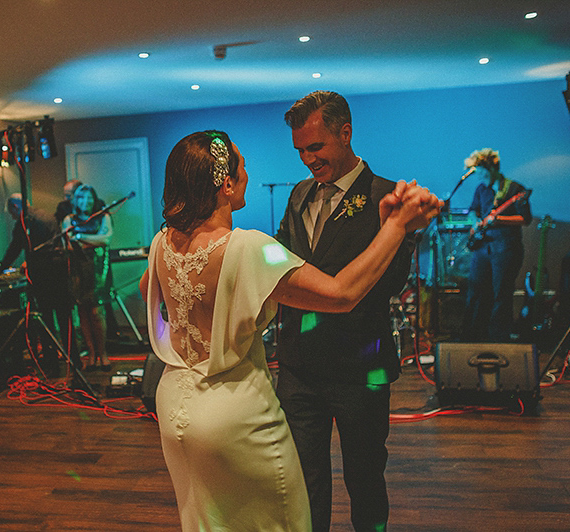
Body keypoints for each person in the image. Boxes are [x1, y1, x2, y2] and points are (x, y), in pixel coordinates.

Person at [140, 130, 441, 531]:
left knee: (208, 520)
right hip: (234, 412)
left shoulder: (163, 242)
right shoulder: (248, 248)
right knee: (281, 519)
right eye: (242, 166)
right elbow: (341, 294)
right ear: (226, 184)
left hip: (175, 404)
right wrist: (397, 226)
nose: (247, 174)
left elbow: (150, 292)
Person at [274, 90, 418, 532]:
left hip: (360, 366)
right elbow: (283, 263)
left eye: (315, 147)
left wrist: (401, 230)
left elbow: (393, 282)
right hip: (299, 367)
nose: (307, 160)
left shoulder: (385, 195)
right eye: (299, 150)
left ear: (346, 133)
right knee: (304, 481)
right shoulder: (299, 194)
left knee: (365, 478)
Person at [460, 148, 532, 342]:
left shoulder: (514, 189)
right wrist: (476, 221)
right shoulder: (481, 189)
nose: (480, 178)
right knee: (476, 290)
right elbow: (473, 210)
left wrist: (499, 219)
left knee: (501, 294)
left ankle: (498, 339)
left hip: (506, 249)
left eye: (482, 173)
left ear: (492, 168)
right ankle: (473, 337)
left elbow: (525, 219)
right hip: (483, 248)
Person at [0, 193, 75, 376]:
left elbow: (14, 249)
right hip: (59, 274)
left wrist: (1, 268)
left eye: (12, 213)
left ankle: (52, 365)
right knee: (66, 321)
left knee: (46, 322)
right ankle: (74, 362)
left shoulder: (24, 223)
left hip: (42, 278)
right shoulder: (47, 216)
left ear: (16, 208)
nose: (12, 217)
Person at [61, 184, 114, 371]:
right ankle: (91, 354)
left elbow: (105, 239)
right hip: (78, 270)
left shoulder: (103, 217)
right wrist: (92, 240)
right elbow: (68, 244)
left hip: (98, 270)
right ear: (76, 200)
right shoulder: (69, 219)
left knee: (97, 313)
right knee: (83, 312)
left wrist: (80, 236)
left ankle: (103, 353)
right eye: (83, 198)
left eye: (90, 198)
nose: (87, 202)